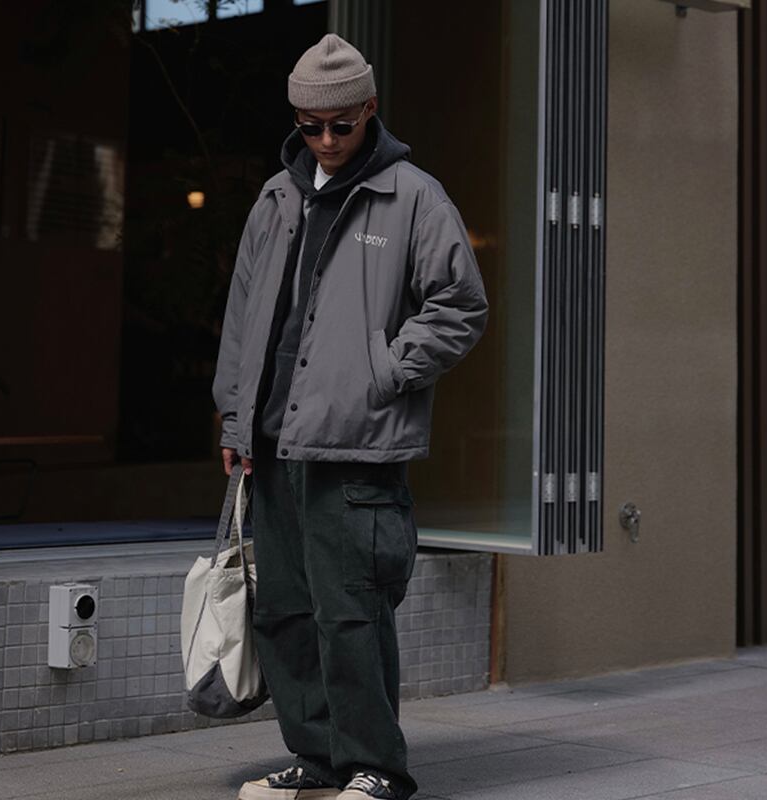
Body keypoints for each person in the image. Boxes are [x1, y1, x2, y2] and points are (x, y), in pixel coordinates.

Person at [213, 33, 488, 800]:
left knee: (352, 613)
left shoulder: (413, 197)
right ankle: (318, 758)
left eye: (341, 124)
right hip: (274, 443)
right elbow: (243, 314)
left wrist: (386, 371)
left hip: (357, 444)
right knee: (286, 613)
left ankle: (376, 768)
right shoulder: (276, 198)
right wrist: (235, 417)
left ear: (370, 109)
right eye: (310, 126)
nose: (327, 140)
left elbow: (461, 304)